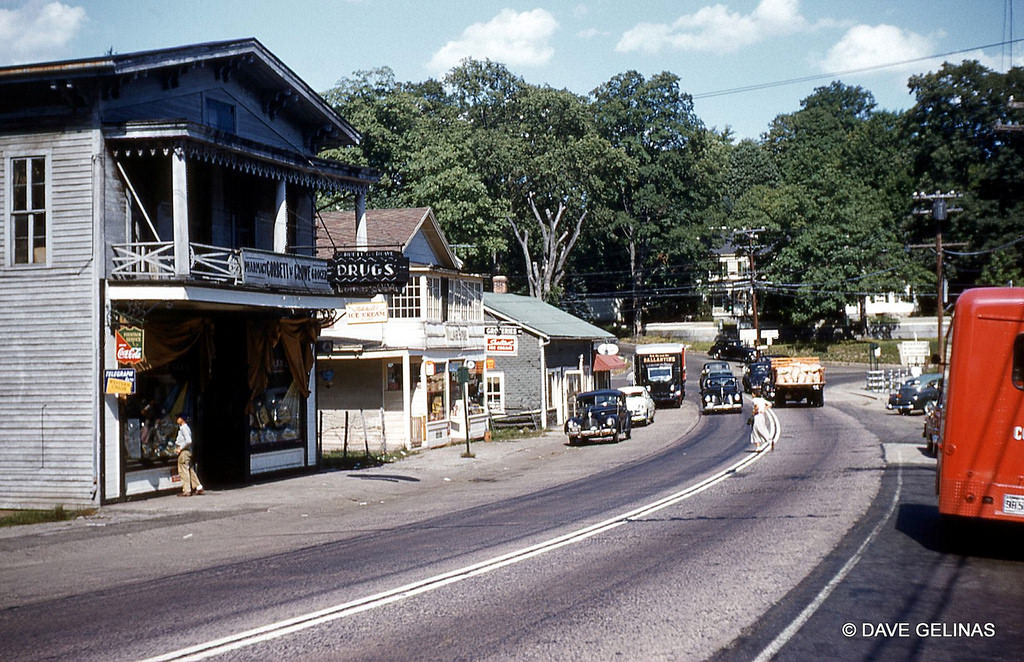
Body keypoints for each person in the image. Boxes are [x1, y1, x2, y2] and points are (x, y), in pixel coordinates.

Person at [174, 414, 204, 496]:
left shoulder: (183, 428)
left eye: (178, 418)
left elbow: (188, 441)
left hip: (184, 452)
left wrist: (180, 448)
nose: (177, 419)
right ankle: (198, 487)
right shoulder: (186, 428)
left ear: (182, 419)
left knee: (183, 470)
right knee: (190, 469)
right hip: (187, 452)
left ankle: (187, 490)